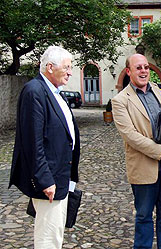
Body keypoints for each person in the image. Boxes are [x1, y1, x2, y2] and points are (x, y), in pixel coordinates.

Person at [9, 46, 80, 249]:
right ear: (50, 67)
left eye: (71, 67)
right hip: (50, 180)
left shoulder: (55, 92)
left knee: (55, 234)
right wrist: (45, 180)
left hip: (61, 176)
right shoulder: (35, 91)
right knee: (48, 239)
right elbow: (32, 141)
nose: (70, 71)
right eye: (66, 67)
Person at [112, 54, 161, 249]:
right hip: (144, 169)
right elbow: (131, 136)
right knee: (144, 217)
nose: (144, 71)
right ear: (129, 72)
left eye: (146, 67)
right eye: (139, 68)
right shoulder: (120, 101)